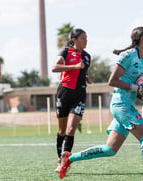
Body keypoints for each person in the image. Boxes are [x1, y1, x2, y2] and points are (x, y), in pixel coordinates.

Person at [58, 26, 143, 181]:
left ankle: (69, 158)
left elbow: (138, 90)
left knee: (110, 149)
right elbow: (112, 81)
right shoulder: (128, 55)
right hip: (120, 104)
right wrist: (136, 87)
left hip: (128, 105)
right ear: (142, 39)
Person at [52, 28, 92, 172]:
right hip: (64, 93)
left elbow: (84, 71)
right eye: (83, 38)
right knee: (62, 130)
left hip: (80, 94)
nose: (86, 40)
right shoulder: (66, 52)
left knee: (71, 128)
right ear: (74, 40)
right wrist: (74, 66)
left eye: (86, 37)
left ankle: (64, 162)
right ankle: (59, 157)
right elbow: (55, 67)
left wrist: (86, 77)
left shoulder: (87, 56)